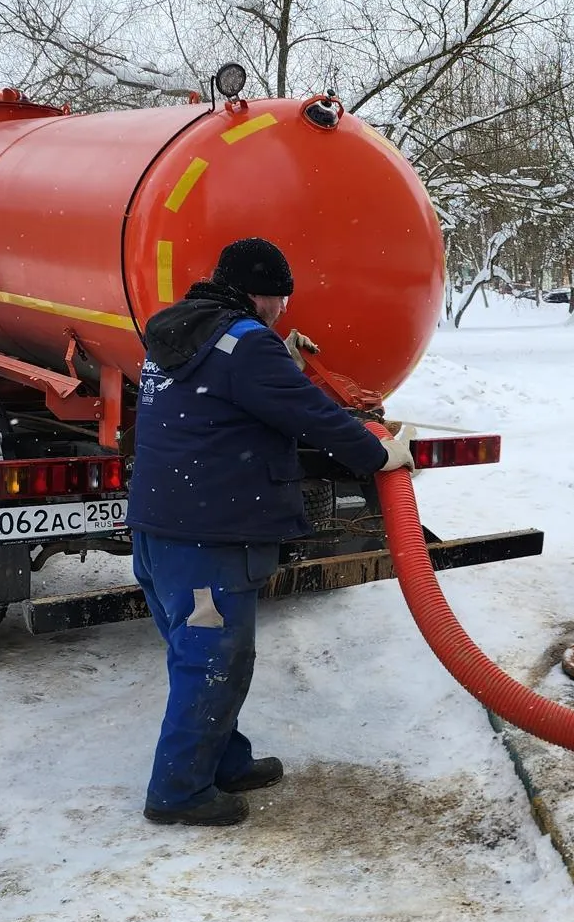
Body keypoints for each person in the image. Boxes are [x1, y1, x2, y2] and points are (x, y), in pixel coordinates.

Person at [126, 237, 415, 826]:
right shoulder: (246, 346)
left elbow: (222, 390)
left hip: (162, 529)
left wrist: (275, 354)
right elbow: (311, 413)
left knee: (203, 656)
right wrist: (378, 456)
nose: (284, 310)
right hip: (209, 536)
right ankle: (178, 793)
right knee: (212, 661)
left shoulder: (179, 332)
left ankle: (222, 762)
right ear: (258, 295)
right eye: (280, 300)